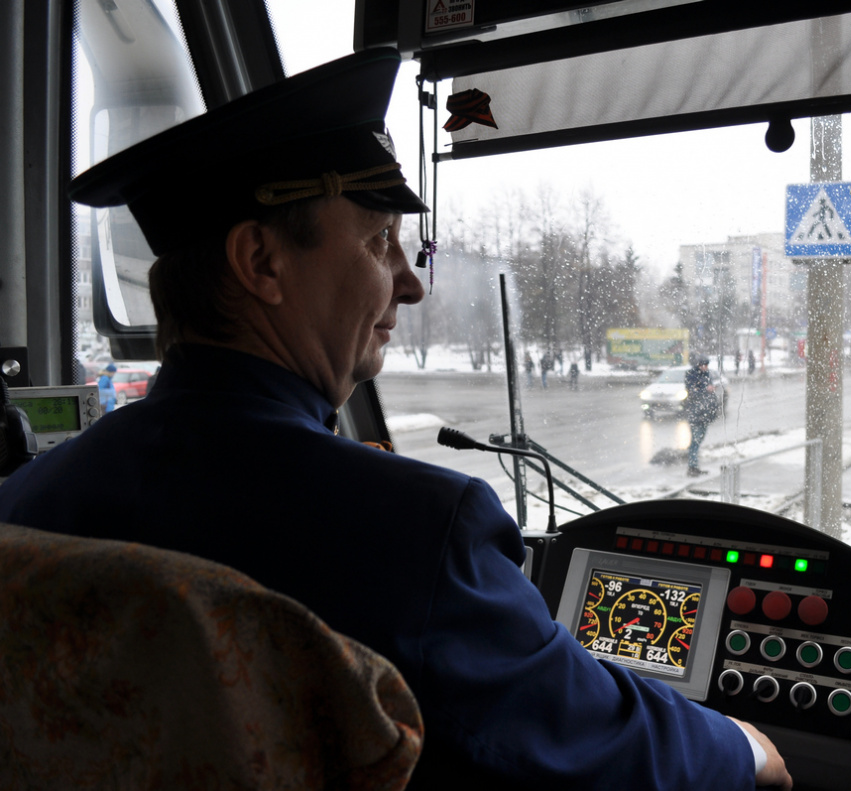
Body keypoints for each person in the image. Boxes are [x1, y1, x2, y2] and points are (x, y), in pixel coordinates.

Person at [0, 50, 789, 791]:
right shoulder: (419, 535)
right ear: (261, 262)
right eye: (381, 242)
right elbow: (588, 732)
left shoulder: (27, 506)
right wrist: (743, 748)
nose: (409, 287)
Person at [684, 356, 719, 477]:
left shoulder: (706, 374)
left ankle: (694, 466)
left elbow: (709, 391)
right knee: (695, 441)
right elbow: (692, 392)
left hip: (705, 414)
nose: (705, 367)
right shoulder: (691, 375)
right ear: (698, 365)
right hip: (696, 414)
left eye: (707, 365)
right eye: (703, 365)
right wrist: (706, 389)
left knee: (699, 440)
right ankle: (692, 467)